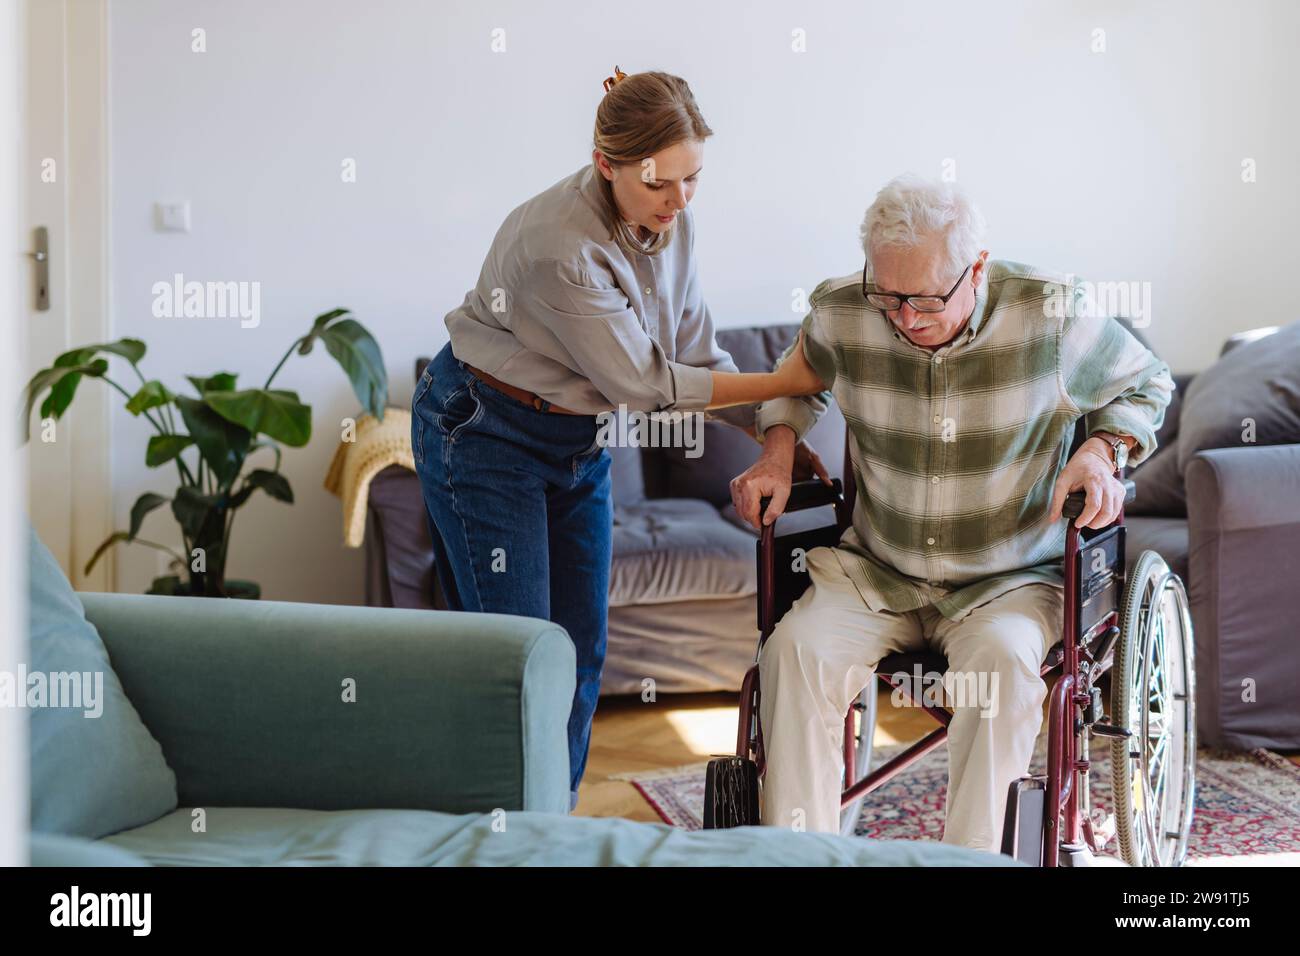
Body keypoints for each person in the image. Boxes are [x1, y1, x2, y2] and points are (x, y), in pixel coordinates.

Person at [412, 67, 828, 812]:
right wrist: (783, 383)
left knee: (580, 652)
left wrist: (777, 427)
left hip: (578, 441)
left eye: (692, 179)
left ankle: (552, 820)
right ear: (606, 165)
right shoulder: (560, 247)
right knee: (521, 660)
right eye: (658, 184)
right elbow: (648, 385)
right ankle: (503, 834)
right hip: (484, 434)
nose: (679, 203)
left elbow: (696, 353)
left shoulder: (674, 221)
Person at [730, 173, 1173, 848]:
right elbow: (793, 387)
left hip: (1009, 582)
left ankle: (971, 865)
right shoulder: (844, 311)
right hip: (878, 572)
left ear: (978, 268)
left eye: (926, 298)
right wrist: (778, 447)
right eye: (889, 296)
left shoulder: (1052, 313)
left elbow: (1146, 383)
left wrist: (1104, 450)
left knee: (1001, 667)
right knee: (794, 653)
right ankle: (800, 859)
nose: (905, 317)